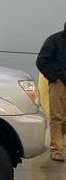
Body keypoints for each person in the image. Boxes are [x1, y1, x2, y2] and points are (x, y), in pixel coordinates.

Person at [36, 23, 66, 161]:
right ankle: (57, 149)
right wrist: (55, 78)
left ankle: (60, 143)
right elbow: (41, 61)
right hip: (59, 84)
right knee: (57, 117)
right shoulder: (54, 40)